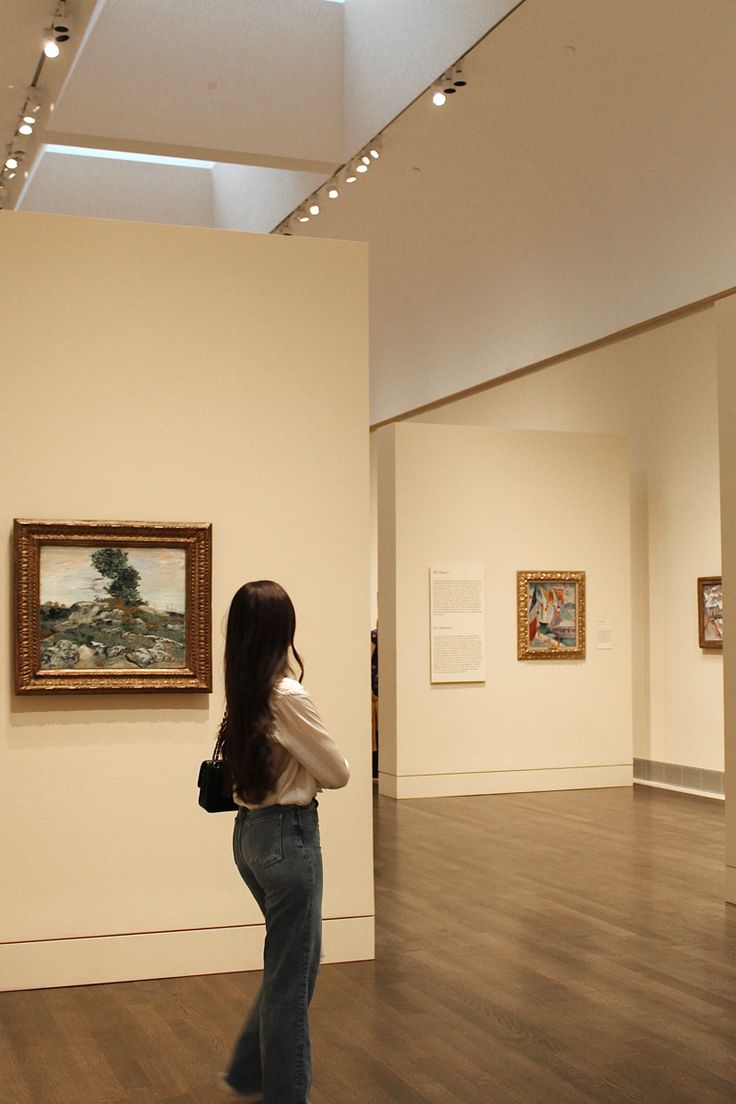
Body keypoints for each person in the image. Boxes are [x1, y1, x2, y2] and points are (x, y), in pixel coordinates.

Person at [217, 580, 350, 1103]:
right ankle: (285, 1095)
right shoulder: (286, 693)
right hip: (287, 839)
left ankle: (248, 1072)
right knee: (294, 977)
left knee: (288, 966)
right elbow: (338, 772)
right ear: (282, 628)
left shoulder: (245, 686)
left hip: (250, 839)